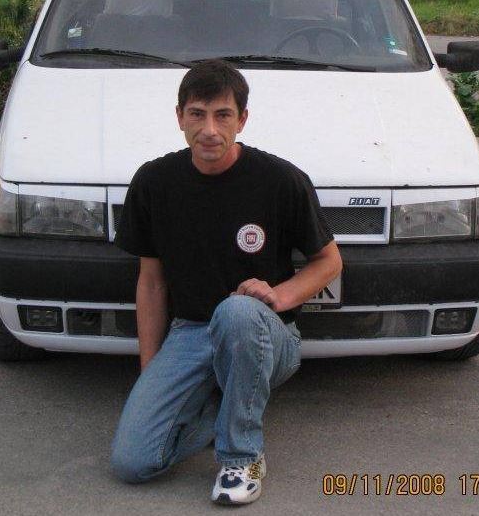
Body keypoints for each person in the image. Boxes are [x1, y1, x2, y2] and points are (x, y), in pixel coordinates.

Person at [110, 59, 342, 505]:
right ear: (179, 117)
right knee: (132, 462)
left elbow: (329, 262)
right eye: (197, 114)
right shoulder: (154, 182)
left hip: (265, 333)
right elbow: (152, 284)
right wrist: (150, 372)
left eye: (223, 115)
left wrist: (278, 296)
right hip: (190, 333)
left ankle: (242, 457)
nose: (210, 130)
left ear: (243, 119)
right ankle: (232, 403)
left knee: (236, 311)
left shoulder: (280, 180)